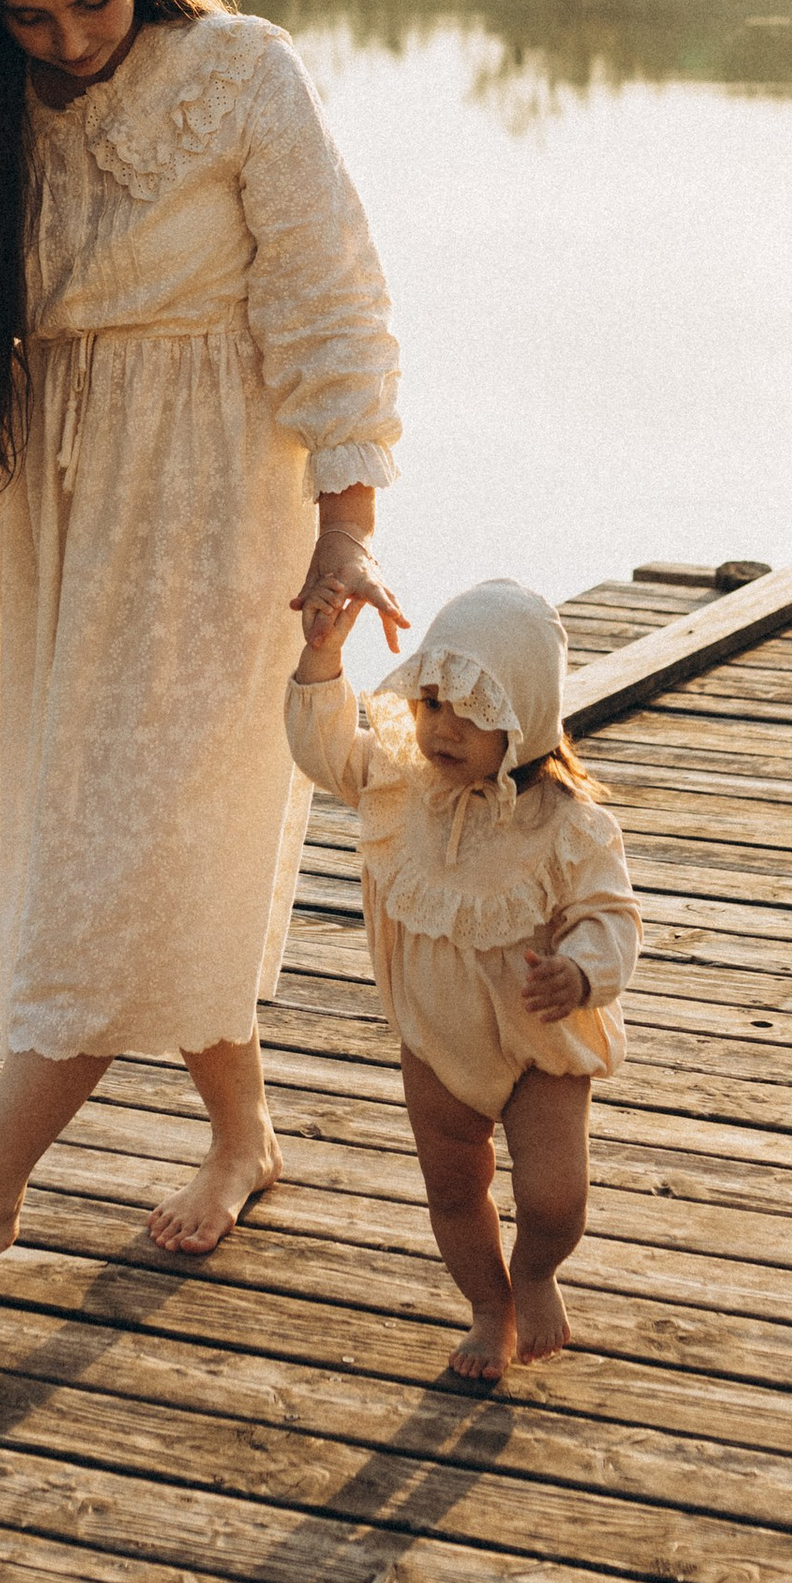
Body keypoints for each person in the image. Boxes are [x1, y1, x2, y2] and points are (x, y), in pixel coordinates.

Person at [0, 0, 403, 1333]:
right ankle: (244, 1136)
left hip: (219, 503)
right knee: (125, 840)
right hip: (62, 507)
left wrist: (345, 528)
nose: (73, 40)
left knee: (124, 853)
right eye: (31, 16)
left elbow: (334, 303)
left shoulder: (240, 73)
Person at [287, 575, 641, 1378]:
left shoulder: (568, 824)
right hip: (436, 1042)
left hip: (539, 1040)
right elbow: (323, 749)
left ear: (524, 717)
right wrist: (323, 659)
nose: (442, 727)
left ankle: (536, 1272)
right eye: (432, 701)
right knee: (452, 1187)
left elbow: (612, 916)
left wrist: (582, 972)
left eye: (472, 711)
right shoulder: (399, 781)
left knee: (555, 1198)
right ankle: (489, 1308)